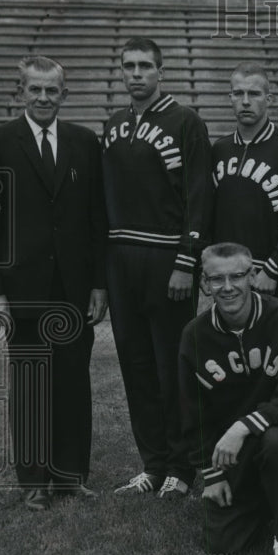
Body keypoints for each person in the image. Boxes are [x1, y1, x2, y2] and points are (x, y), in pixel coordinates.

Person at [0, 55, 107, 510]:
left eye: (53, 91)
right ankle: (33, 481)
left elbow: (96, 219)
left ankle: (70, 476)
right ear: (21, 92)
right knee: (31, 383)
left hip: (73, 288)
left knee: (73, 382)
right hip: (23, 288)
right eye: (36, 89)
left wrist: (99, 285)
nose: (45, 98)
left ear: (64, 95)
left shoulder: (85, 142)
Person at [101, 37, 213, 498]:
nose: (136, 73)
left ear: (160, 71)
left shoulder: (185, 121)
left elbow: (199, 195)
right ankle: (152, 463)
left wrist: (187, 261)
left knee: (173, 367)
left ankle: (183, 467)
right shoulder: (112, 125)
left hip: (168, 259)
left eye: (145, 65)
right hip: (122, 259)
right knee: (136, 364)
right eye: (128, 65)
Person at [178, 243, 278, 555]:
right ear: (204, 284)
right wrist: (211, 474)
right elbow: (191, 412)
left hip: (275, 435)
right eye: (216, 279)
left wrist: (242, 426)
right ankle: (267, 501)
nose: (227, 287)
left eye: (237, 276)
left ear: (252, 276)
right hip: (229, 455)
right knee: (221, 543)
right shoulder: (194, 335)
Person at [211, 62, 278, 304]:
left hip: (273, 278)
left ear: (268, 98)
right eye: (238, 93)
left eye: (254, 94)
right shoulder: (220, 149)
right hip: (227, 275)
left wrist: (273, 268)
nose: (245, 101)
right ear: (230, 97)